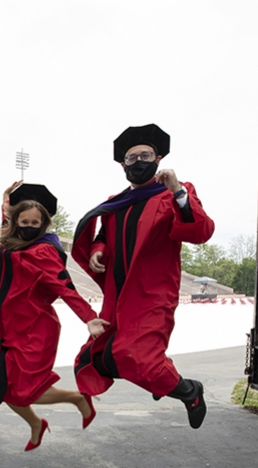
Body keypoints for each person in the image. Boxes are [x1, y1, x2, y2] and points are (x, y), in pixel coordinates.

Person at [72, 124, 215, 428]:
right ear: (123, 165)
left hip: (152, 293)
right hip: (118, 293)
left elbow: (200, 231)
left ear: (159, 157)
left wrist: (178, 191)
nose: (138, 161)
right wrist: (98, 250)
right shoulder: (117, 202)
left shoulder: (173, 193)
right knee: (102, 357)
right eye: (131, 158)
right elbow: (102, 236)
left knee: (138, 357)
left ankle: (190, 391)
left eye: (145, 155)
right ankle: (162, 380)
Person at [0, 184, 109, 451]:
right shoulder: (12, 240)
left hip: (35, 327)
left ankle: (77, 399)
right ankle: (36, 424)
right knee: (6, 389)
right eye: (24, 221)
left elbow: (65, 285)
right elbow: (9, 221)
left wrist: (88, 317)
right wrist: (6, 200)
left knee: (28, 390)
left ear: (43, 224)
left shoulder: (44, 250)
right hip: (7, 326)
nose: (29, 226)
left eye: (35, 223)